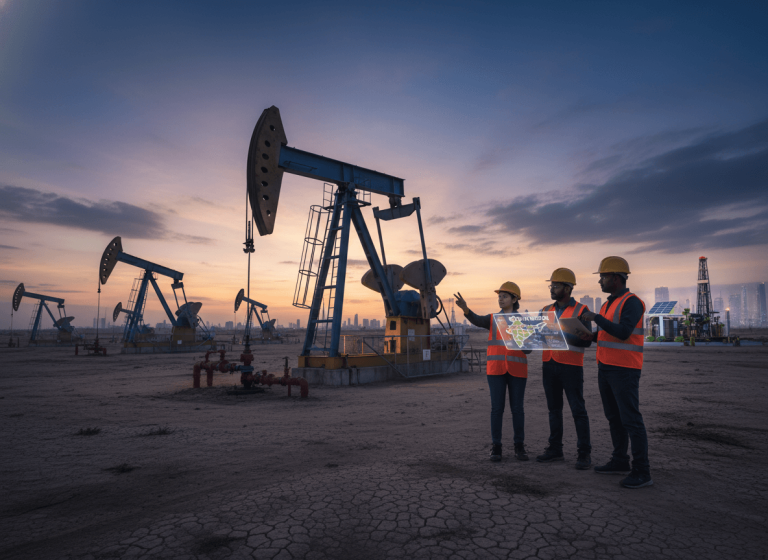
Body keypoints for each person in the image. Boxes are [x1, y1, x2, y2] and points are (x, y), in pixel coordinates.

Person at [580, 256, 652, 489]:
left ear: (616, 278)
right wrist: (592, 336)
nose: (600, 281)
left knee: (631, 420)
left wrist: (596, 319)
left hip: (625, 369)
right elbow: (607, 334)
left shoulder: (632, 302)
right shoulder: (607, 303)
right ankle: (620, 460)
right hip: (606, 368)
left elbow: (623, 333)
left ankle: (642, 471)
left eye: (603, 276)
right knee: (615, 418)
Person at [455, 282, 531, 462]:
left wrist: (522, 336)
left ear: (514, 299)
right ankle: (496, 447)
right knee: (497, 409)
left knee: (517, 410)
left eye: (505, 296)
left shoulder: (523, 321)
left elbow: (528, 350)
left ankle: (519, 446)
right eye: (499, 296)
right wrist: (466, 309)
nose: (500, 299)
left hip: (517, 370)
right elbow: (477, 319)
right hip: (496, 370)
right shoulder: (493, 319)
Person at [536, 268, 593, 470]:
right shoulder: (544, 310)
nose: (552, 289)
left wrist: (563, 335)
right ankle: (555, 450)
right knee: (554, 409)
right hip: (549, 364)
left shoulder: (581, 309)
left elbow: (587, 341)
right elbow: (539, 336)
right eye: (551, 285)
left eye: (556, 285)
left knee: (578, 409)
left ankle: (584, 453)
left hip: (571, 366)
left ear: (567, 288)